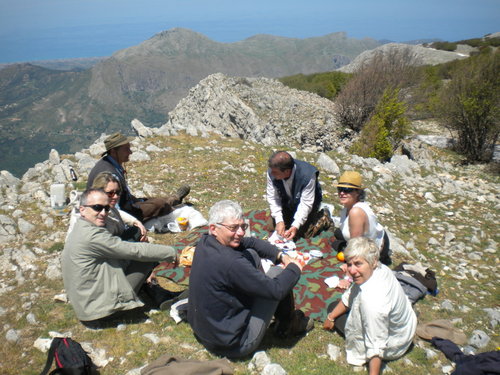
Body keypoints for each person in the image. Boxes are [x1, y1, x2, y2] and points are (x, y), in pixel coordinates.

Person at [188, 200, 313, 359]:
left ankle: (267, 300)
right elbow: (276, 290)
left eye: (243, 226)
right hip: (235, 344)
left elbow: (251, 242)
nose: (240, 232)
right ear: (214, 228)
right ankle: (288, 325)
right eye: (233, 228)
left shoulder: (205, 241)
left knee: (251, 253)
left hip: (205, 331)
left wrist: (280, 255)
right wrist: (295, 266)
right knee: (276, 273)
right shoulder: (232, 263)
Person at [61, 188, 178, 326]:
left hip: (86, 303)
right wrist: (172, 253)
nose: (103, 213)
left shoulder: (81, 227)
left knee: (136, 253)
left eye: (106, 208)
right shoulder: (92, 236)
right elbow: (133, 250)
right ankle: (148, 291)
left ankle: (147, 287)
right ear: (82, 209)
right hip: (98, 312)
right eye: (97, 208)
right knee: (145, 259)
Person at [323, 237, 417, 375]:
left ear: (372, 262)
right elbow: (351, 294)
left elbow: (376, 344)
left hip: (392, 344)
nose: (352, 271)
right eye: (349, 264)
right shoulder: (381, 269)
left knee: (335, 310)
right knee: (334, 309)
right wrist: (330, 318)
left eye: (358, 264)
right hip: (404, 329)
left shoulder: (372, 302)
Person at [86, 132, 190, 222]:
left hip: (126, 203)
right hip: (123, 212)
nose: (130, 152)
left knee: (152, 199)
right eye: (126, 149)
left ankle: (174, 199)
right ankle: (173, 203)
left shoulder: (109, 163)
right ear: (113, 151)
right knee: (159, 203)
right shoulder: (109, 174)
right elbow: (114, 209)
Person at [266, 151, 329, 241]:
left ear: (287, 171)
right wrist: (279, 220)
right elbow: (273, 197)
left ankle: (323, 217)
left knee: (304, 234)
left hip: (307, 203)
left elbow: (306, 203)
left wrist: (296, 225)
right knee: (271, 226)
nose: (272, 173)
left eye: (275, 172)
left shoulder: (308, 175)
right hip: (287, 201)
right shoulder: (271, 172)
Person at [334, 171, 391, 265]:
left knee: (337, 246)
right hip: (365, 240)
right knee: (337, 235)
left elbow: (356, 247)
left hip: (375, 248)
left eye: (347, 189)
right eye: (340, 189)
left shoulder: (356, 212)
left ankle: (383, 257)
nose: (342, 193)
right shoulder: (347, 207)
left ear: (358, 192)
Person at [91, 172, 147, 242]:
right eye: (110, 193)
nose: (116, 197)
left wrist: (135, 221)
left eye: (117, 192)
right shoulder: (92, 215)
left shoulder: (106, 207)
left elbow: (117, 212)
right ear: (98, 191)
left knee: (137, 231)